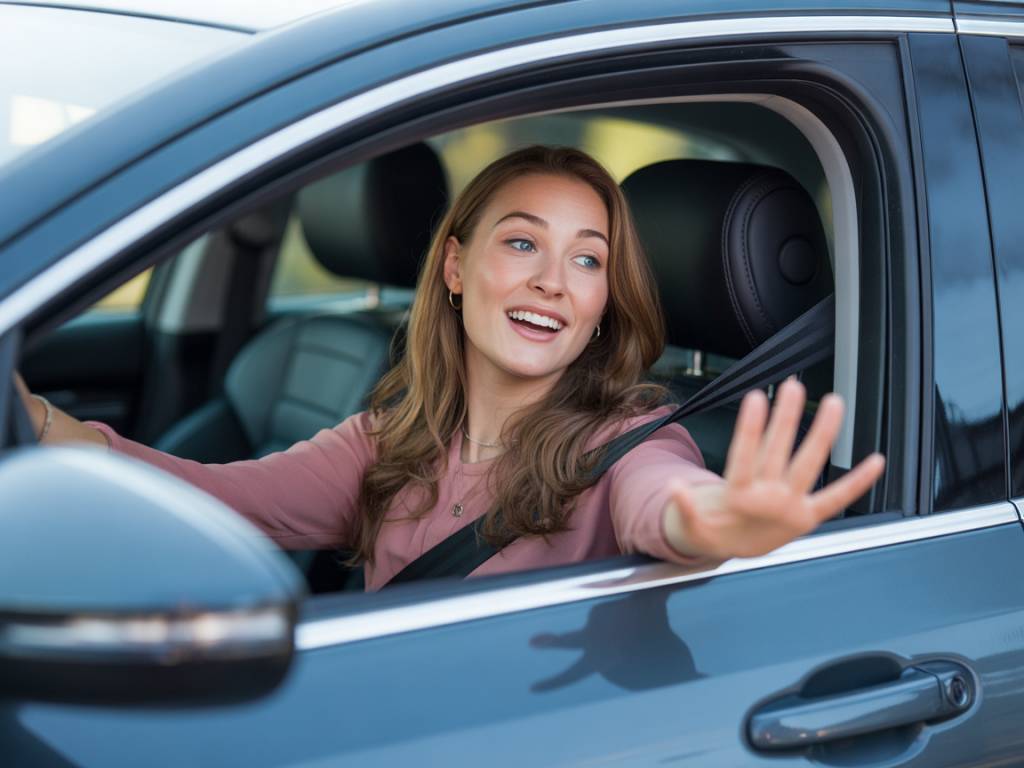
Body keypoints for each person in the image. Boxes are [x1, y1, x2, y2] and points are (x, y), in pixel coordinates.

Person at [13, 146, 885, 591]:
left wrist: (715, 523)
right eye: (522, 243)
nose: (553, 280)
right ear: (457, 268)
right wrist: (37, 422)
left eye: (588, 261)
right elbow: (211, 502)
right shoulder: (391, 438)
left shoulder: (629, 446)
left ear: (603, 301)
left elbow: (662, 503)